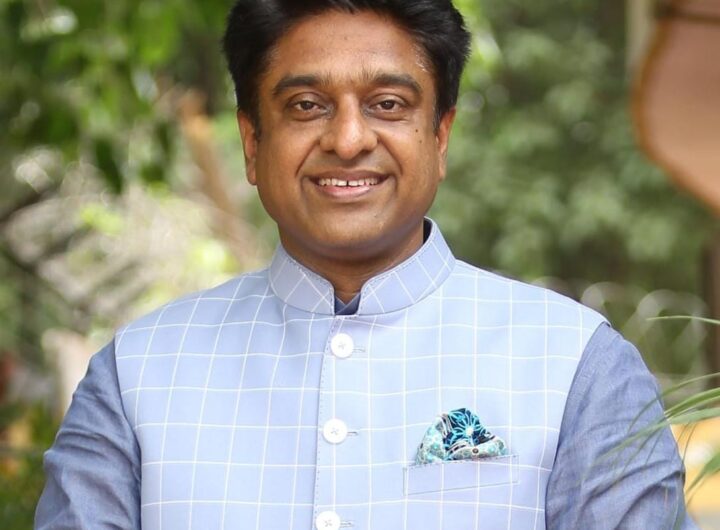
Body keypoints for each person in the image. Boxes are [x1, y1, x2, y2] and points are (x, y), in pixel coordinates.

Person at [35, 1, 696, 529]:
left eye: (388, 105)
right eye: (306, 106)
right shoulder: (137, 375)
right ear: (251, 140)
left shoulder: (576, 364)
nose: (348, 140)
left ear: (440, 136)